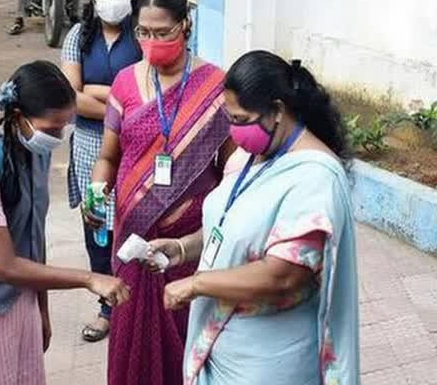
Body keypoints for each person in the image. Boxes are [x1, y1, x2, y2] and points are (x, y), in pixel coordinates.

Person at [148, 51, 360, 385]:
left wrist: (196, 283)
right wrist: (183, 247)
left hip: (270, 362)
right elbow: (238, 226)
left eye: (241, 120)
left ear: (277, 111)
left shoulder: (316, 177)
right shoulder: (259, 155)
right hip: (225, 346)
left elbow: (283, 277)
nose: (234, 132)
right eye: (229, 119)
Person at [0, 60, 131, 385]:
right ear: (17, 118)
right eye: (52, 129)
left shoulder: (35, 152)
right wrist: (88, 279)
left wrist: (41, 310)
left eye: (64, 127)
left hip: (22, 306)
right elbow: (4, 266)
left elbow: (34, 236)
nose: (58, 137)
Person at [86, 0, 234, 385]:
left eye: (162, 32)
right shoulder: (125, 83)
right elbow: (108, 157)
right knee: (132, 341)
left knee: (187, 343)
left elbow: (231, 175)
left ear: (186, 25)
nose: (152, 42)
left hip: (188, 247)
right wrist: (96, 192)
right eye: (144, 32)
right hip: (132, 242)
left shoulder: (215, 89)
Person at [60, 0, 141, 343]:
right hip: (91, 147)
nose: (113, 2)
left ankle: (135, 299)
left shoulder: (142, 34)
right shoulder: (79, 35)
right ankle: (107, 305)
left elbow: (150, 97)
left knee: (134, 219)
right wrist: (122, 101)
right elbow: (70, 97)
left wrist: (96, 91)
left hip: (136, 144)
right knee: (97, 224)